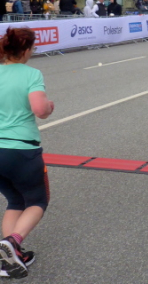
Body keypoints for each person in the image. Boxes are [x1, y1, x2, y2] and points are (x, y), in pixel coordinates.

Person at [0, 28, 54, 278]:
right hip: (21, 149)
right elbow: (40, 109)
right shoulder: (31, 73)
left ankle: (9, 256)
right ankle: (13, 241)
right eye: (33, 48)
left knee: (15, 200)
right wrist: (49, 106)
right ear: (25, 50)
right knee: (37, 201)